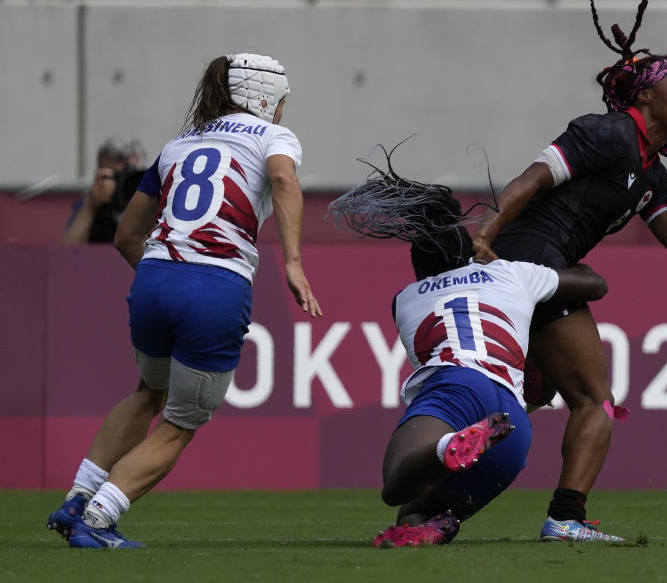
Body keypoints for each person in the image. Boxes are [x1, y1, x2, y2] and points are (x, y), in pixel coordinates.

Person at [471, 0, 667, 542]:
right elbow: (530, 180)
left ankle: (437, 496)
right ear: (645, 94)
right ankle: (566, 519)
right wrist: (486, 232)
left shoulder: (653, 174)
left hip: (535, 268)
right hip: (529, 261)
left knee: (531, 394)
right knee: (593, 399)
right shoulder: (604, 133)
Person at [46, 53, 322, 549]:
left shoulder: (177, 144)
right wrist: (294, 263)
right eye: (281, 101)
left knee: (147, 391)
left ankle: (76, 496)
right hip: (215, 285)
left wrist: (164, 277)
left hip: (153, 277)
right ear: (265, 98)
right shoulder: (274, 138)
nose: (282, 111)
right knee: (181, 422)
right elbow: (282, 179)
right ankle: (97, 519)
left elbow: (127, 235)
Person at [327, 151, 616, 546]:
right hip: (511, 416)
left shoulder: (405, 299)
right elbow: (595, 284)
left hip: (454, 386)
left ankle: (448, 448)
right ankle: (438, 521)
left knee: (397, 486)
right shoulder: (510, 272)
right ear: (468, 253)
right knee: (414, 512)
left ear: (419, 269)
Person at [62, 136, 147, 244]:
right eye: (116, 176)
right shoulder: (93, 203)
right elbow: (66, 253)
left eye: (132, 176)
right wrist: (90, 207)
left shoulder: (156, 201)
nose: (124, 183)